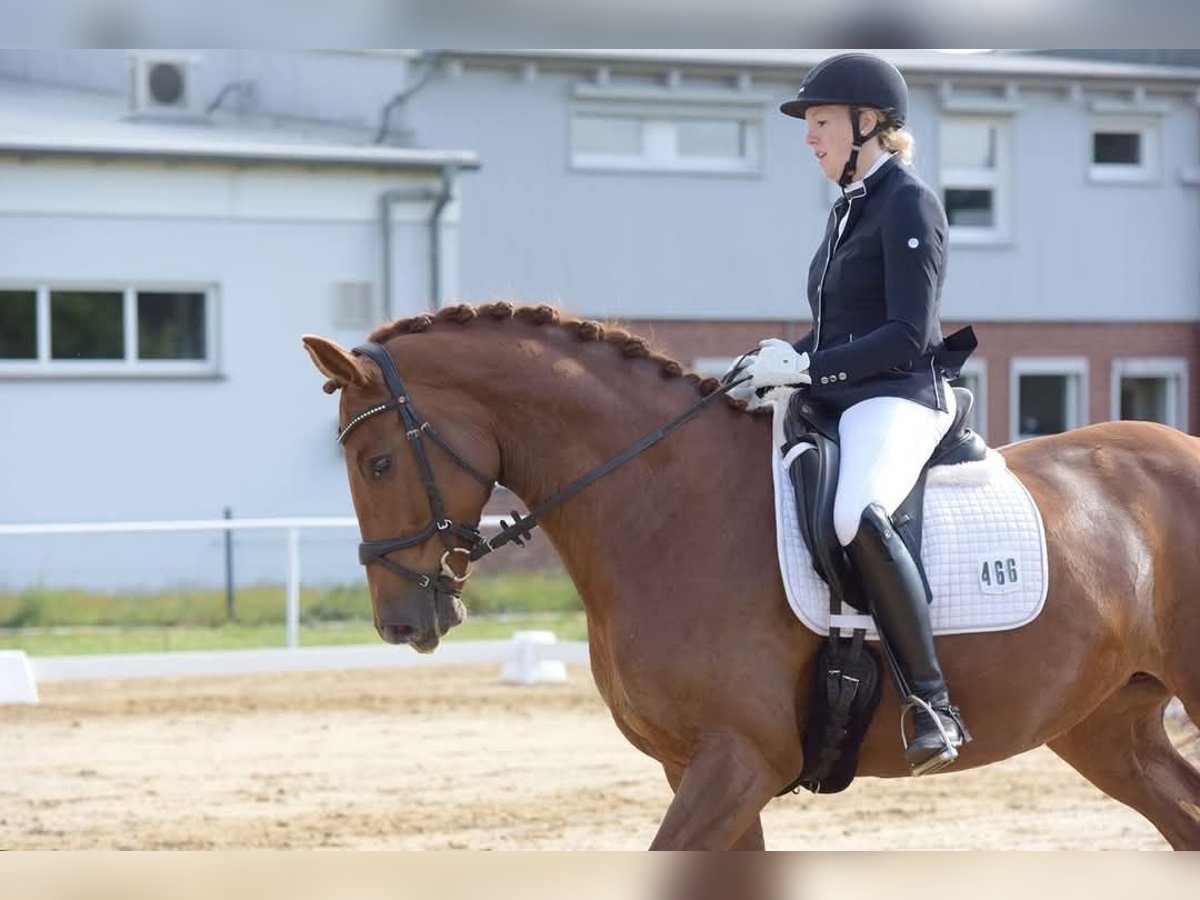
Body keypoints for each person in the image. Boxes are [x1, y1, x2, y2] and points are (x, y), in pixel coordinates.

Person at [742, 52, 973, 776]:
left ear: (867, 124)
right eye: (809, 125)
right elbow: (837, 328)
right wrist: (777, 360)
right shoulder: (850, 209)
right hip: (846, 394)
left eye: (820, 123)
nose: (809, 139)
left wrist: (813, 367)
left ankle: (933, 703)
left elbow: (908, 333)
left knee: (855, 513)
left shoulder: (907, 201)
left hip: (902, 394)